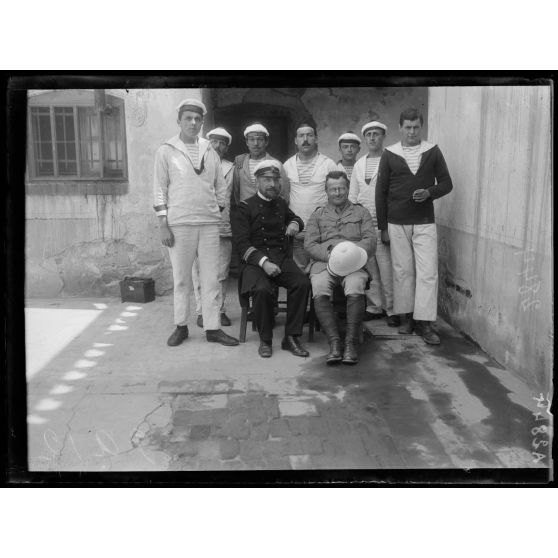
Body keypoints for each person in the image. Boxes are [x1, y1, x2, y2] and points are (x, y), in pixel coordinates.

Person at [153, 98, 239, 348]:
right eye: (188, 118)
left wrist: (214, 210)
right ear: (178, 120)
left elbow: (220, 187)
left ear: (202, 122)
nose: (193, 122)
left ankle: (213, 328)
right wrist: (163, 223)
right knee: (181, 279)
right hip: (179, 224)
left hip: (209, 225)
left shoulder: (209, 150)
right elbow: (159, 189)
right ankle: (181, 326)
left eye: (197, 119)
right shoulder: (166, 150)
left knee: (212, 278)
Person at [376, 107, 453, 345]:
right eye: (407, 127)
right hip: (396, 222)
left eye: (416, 127)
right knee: (402, 272)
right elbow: (381, 192)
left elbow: (447, 184)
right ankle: (407, 318)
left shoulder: (432, 151)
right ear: (400, 128)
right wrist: (383, 227)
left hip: (424, 222)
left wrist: (429, 192)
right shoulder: (390, 153)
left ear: (422, 127)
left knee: (428, 272)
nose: (411, 131)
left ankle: (425, 323)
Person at [232, 160, 311, 359]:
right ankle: (265, 339)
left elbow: (297, 220)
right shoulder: (244, 207)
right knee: (261, 289)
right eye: (267, 179)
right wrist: (264, 263)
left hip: (281, 258)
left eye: (276, 180)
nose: (272, 185)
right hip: (254, 262)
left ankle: (291, 337)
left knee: (302, 283)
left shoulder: (281, 204)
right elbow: (241, 244)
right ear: (257, 181)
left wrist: (293, 224)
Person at [304, 170, 376, 364]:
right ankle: (335, 343)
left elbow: (370, 240)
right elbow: (309, 244)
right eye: (333, 189)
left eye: (341, 188)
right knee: (319, 287)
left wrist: (351, 254)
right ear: (326, 191)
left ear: (347, 189)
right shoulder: (318, 215)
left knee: (355, 286)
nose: (337, 193)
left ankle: (351, 343)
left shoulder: (361, 212)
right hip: (324, 263)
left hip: (354, 264)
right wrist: (330, 255)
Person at [349, 121, 398, 326]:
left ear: (383, 136)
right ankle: (374, 306)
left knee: (387, 268)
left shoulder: (391, 160)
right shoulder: (360, 164)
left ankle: (392, 310)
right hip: (365, 225)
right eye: (368, 134)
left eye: (376, 134)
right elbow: (353, 196)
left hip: (384, 224)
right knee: (370, 268)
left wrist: (386, 225)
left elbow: (394, 193)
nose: (372, 138)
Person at [192, 127, 234, 329]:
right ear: (208, 143)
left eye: (223, 143)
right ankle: (201, 311)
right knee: (200, 272)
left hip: (223, 227)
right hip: (198, 224)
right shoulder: (196, 164)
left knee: (221, 272)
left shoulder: (231, 168)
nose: (218, 146)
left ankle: (220, 309)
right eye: (214, 141)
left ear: (227, 147)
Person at [283, 122, 338, 270]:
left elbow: (338, 198)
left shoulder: (328, 164)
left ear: (316, 139)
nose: (305, 139)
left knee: (321, 272)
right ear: (296, 140)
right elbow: (283, 199)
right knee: (299, 275)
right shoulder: (287, 166)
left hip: (322, 232)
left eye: (309, 135)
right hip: (296, 232)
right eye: (301, 136)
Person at [230, 123, 288, 209]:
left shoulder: (276, 164)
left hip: (269, 212)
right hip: (245, 212)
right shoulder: (240, 162)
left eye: (260, 139)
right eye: (252, 139)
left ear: (266, 142)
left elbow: (283, 193)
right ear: (247, 142)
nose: (256, 143)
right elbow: (235, 191)